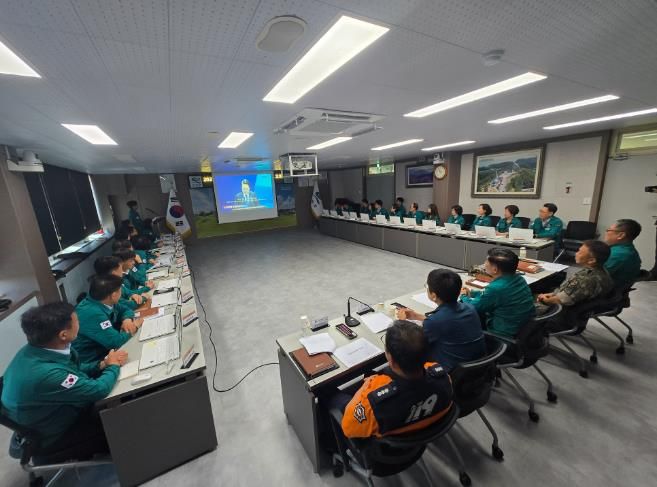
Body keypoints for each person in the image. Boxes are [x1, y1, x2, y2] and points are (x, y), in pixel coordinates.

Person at [1, 303, 128, 457]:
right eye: (77, 321)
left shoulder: (38, 349)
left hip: (49, 411)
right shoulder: (46, 374)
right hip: (55, 431)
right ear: (63, 335)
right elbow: (98, 390)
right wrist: (113, 366)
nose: (80, 322)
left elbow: (73, 370)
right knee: (124, 418)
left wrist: (102, 364)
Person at [332, 321, 453, 439]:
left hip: (391, 449)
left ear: (391, 361)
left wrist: (367, 386)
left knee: (331, 395)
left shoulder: (373, 403)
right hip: (426, 432)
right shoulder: (443, 378)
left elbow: (349, 429)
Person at [397, 270, 485, 371]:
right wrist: (418, 316)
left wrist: (402, 323)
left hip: (452, 372)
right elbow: (447, 323)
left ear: (434, 296)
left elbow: (413, 344)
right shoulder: (469, 308)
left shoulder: (434, 322)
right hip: (478, 367)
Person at [538, 240, 613, 331]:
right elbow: (568, 292)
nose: (576, 253)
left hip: (560, 317)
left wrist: (543, 299)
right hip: (575, 313)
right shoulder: (601, 272)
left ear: (591, 260)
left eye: (580, 252)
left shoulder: (585, 280)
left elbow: (559, 300)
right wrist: (552, 294)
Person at [460, 248, 535, 338]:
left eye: (486, 261)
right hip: (523, 328)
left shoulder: (496, 288)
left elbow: (474, 307)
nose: (484, 263)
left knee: (463, 317)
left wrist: (463, 296)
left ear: (495, 269)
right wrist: (472, 293)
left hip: (503, 333)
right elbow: (493, 297)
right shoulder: (519, 279)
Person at [74, 274, 143, 363]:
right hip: (95, 361)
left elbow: (126, 309)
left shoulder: (103, 300)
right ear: (113, 295)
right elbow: (115, 341)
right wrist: (135, 326)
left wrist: (127, 319)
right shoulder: (93, 313)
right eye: (120, 290)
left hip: (106, 349)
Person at [603, 219, 642, 289]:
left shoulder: (619, 254)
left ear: (621, 235)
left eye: (608, 230)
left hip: (608, 293)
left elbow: (593, 276)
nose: (606, 233)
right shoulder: (626, 250)